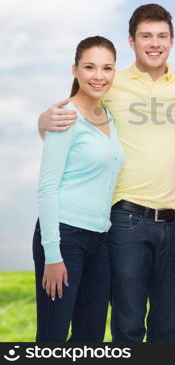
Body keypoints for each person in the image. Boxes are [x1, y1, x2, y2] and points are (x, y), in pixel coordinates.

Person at [38, 4, 175, 342]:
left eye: (162, 36)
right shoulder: (112, 83)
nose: (154, 43)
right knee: (128, 324)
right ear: (132, 41)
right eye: (146, 36)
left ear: (172, 41)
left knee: (169, 326)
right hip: (127, 220)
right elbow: (70, 112)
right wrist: (43, 122)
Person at [33, 36, 125, 342]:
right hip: (65, 237)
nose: (98, 76)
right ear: (75, 70)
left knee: (90, 338)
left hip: (100, 241)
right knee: (53, 337)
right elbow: (47, 187)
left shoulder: (107, 115)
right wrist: (53, 254)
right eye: (89, 67)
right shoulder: (65, 116)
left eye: (106, 68)